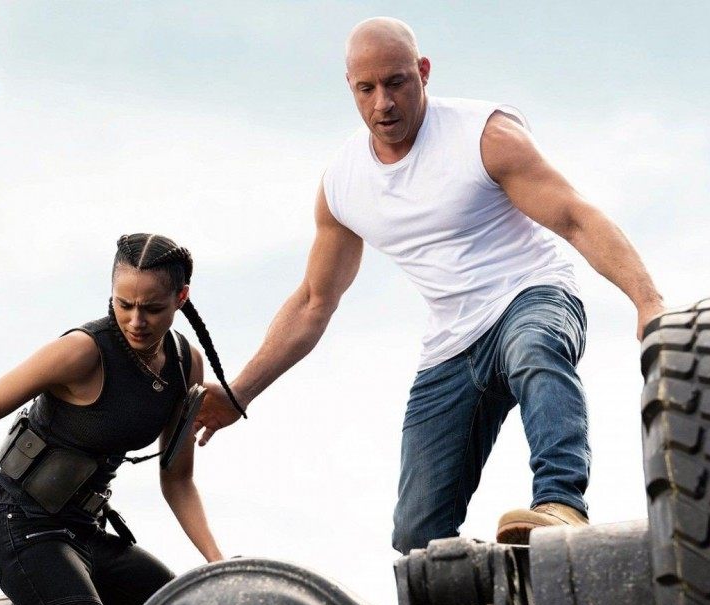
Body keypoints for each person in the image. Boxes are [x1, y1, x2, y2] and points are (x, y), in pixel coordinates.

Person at [194, 18, 666, 552]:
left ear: (422, 72)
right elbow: (313, 302)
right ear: (350, 86)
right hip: (452, 346)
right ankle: (486, 595)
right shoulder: (344, 183)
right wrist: (239, 392)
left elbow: (576, 218)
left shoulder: (484, 136)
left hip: (531, 295)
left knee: (533, 348)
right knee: (416, 538)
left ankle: (560, 504)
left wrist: (647, 301)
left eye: (396, 83)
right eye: (366, 89)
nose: (383, 104)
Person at [0, 233, 244, 605]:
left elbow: (177, 479)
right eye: (124, 304)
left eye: (153, 308)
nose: (136, 321)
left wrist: (216, 561)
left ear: (181, 298)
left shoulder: (185, 364)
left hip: (86, 533)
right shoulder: (82, 351)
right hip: (21, 528)